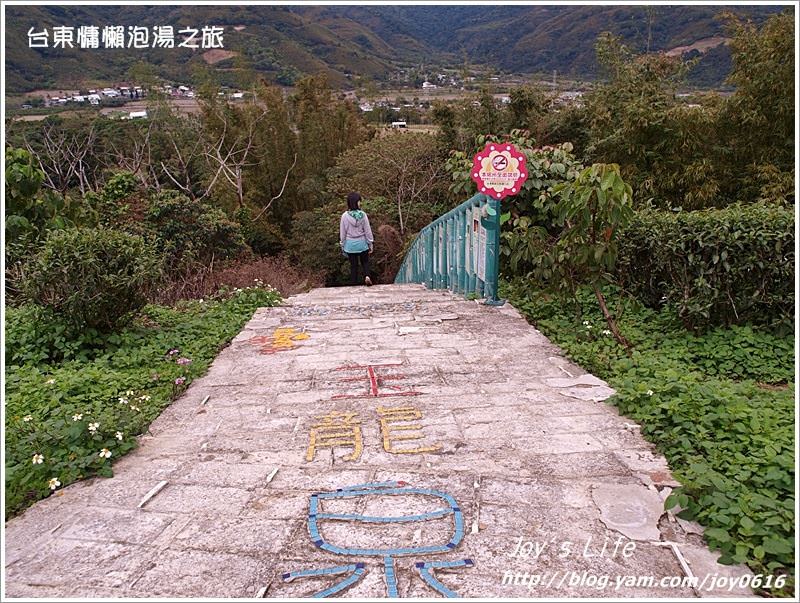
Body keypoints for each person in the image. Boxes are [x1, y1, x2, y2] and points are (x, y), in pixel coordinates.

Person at [339, 192, 374, 286]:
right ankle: (367, 276)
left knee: (353, 266)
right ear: (357, 202)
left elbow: (343, 233)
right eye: (359, 201)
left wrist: (342, 244)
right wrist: (370, 243)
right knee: (365, 262)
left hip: (350, 245)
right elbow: (368, 230)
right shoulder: (363, 215)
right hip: (362, 243)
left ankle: (353, 283)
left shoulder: (344, 216)